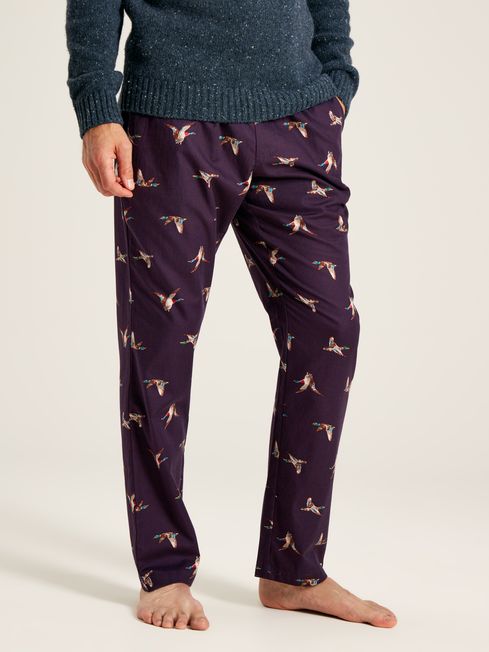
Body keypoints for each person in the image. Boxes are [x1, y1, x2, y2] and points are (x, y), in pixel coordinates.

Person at [65, 0, 397, 631]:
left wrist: (336, 85)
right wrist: (98, 111)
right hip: (171, 121)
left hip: (299, 119)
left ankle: (294, 569)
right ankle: (165, 570)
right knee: (159, 345)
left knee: (329, 329)